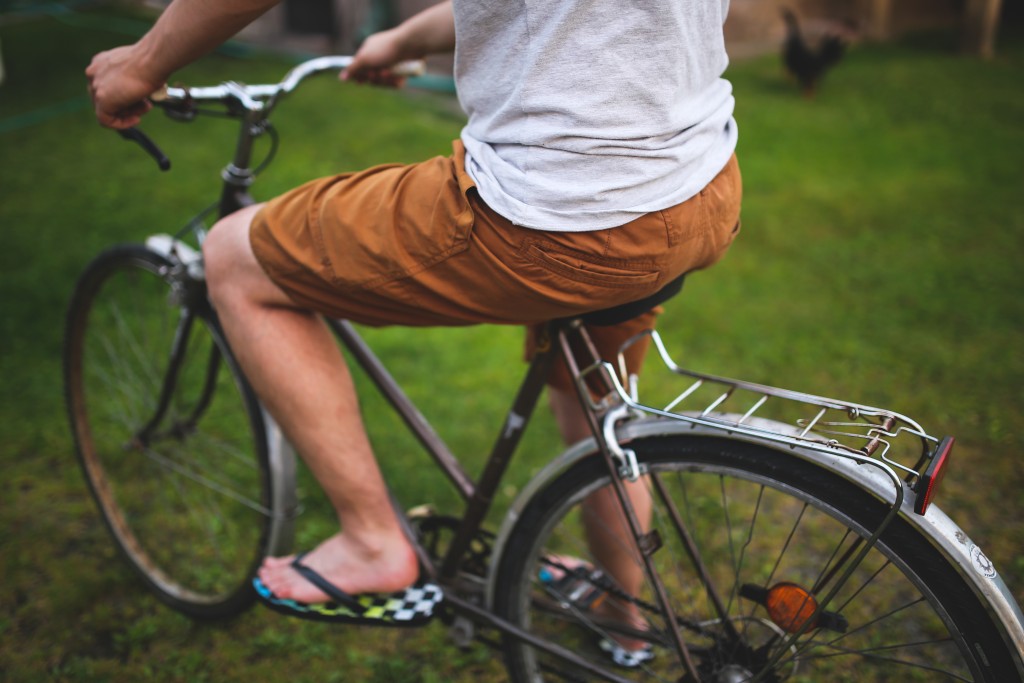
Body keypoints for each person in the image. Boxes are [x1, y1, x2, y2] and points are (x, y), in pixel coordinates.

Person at [86, 0, 741, 662]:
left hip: (559, 212)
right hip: (695, 187)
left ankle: (372, 542)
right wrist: (400, 39)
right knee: (595, 406)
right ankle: (624, 618)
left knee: (233, 256)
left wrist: (143, 63)